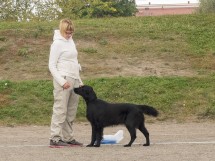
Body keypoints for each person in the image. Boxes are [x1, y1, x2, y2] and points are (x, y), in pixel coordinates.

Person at [49, 18, 83, 147]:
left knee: (71, 111)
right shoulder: (57, 44)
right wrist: (62, 81)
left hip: (74, 79)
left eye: (71, 32)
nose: (69, 35)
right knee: (60, 109)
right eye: (67, 32)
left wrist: (79, 80)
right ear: (62, 30)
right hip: (62, 79)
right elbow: (51, 65)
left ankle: (68, 137)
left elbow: (74, 62)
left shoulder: (71, 41)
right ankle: (55, 138)